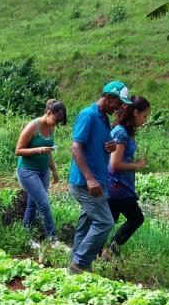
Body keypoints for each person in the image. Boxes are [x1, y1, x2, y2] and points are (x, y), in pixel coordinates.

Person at [68, 81, 130, 273]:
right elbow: (75, 147)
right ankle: (79, 264)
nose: (120, 107)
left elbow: (93, 145)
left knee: (86, 224)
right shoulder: (89, 115)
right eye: (118, 102)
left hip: (97, 180)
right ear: (108, 96)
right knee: (105, 222)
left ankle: (75, 264)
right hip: (85, 182)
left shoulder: (103, 118)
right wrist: (89, 178)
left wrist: (109, 147)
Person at [103, 96, 151, 257]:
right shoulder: (121, 133)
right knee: (136, 218)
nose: (145, 120)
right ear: (135, 112)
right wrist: (136, 165)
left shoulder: (124, 131)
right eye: (144, 116)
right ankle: (109, 250)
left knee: (108, 222)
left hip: (118, 185)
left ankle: (101, 252)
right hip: (117, 186)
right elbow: (114, 164)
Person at [15, 100, 67, 245]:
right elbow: (18, 151)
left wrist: (54, 170)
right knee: (44, 204)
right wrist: (39, 150)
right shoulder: (33, 127)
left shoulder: (50, 127)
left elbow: (49, 151)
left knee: (32, 204)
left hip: (43, 171)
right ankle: (53, 240)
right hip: (27, 171)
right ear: (48, 113)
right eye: (55, 121)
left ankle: (26, 237)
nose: (55, 125)